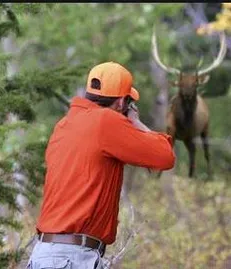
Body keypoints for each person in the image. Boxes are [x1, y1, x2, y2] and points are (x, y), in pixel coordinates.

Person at [26, 62, 176, 268]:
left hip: (48, 253)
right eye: (129, 102)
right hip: (72, 258)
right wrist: (135, 123)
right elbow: (165, 156)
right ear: (122, 102)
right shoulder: (105, 122)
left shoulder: (65, 125)